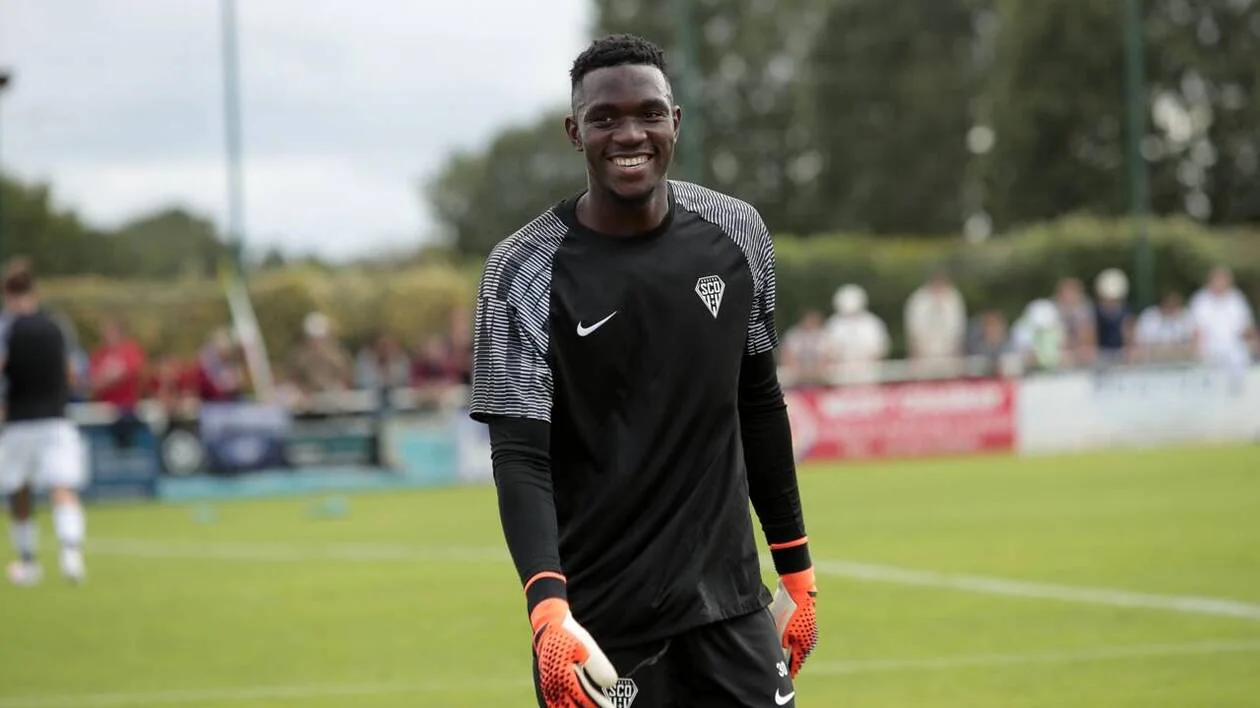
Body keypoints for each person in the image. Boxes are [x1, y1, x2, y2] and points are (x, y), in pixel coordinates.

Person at [468, 34, 818, 708]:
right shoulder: (522, 270)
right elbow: (520, 458)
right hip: (601, 627)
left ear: (675, 122)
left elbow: (759, 404)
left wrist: (796, 571)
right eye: (605, 118)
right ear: (576, 132)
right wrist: (547, 612)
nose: (629, 133)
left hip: (731, 609)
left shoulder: (738, 233)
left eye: (649, 113)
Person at [0, 258, 89, 586]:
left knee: (18, 491)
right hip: (56, 419)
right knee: (62, 488)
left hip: (19, 422)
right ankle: (71, 554)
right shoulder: (57, 326)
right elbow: (73, 374)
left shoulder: (6, 328)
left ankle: (28, 562)